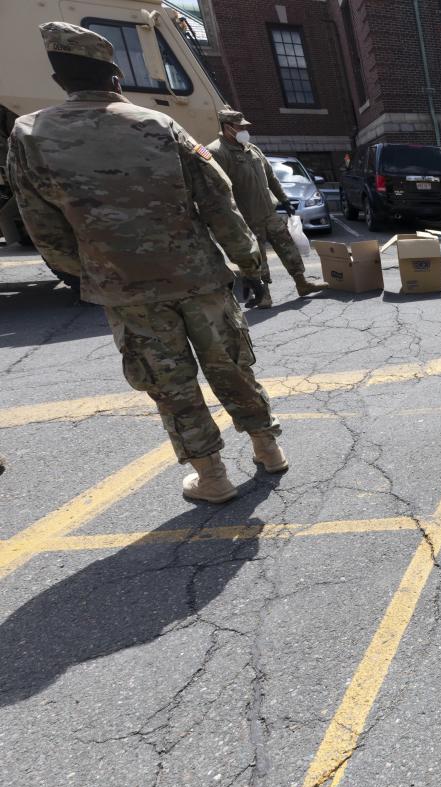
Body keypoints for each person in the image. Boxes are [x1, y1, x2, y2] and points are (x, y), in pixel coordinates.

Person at [7, 22, 289, 504]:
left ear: (61, 81)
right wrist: (247, 260)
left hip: (124, 288)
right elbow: (216, 198)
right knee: (231, 364)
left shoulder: (30, 133)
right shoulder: (158, 125)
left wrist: (88, 270)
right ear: (115, 78)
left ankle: (213, 478)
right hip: (198, 275)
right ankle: (267, 449)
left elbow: (38, 222)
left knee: (170, 383)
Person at [206, 108, 328, 307]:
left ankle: (302, 283)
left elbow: (271, 177)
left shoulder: (251, 149)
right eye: (240, 127)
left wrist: (284, 199)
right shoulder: (216, 152)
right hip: (246, 217)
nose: (244, 130)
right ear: (227, 128)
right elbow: (219, 189)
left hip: (269, 213)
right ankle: (264, 295)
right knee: (257, 258)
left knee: (288, 247)